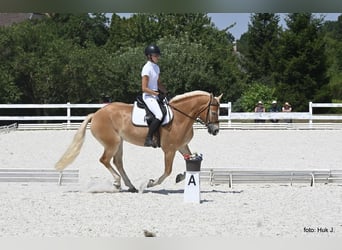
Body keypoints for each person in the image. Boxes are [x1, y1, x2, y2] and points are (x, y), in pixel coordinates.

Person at [141, 44, 167, 147]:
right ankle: (148, 138)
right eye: (156, 55)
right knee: (159, 115)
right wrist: (156, 93)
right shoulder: (146, 68)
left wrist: (166, 92)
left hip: (155, 95)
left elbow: (158, 83)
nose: (158, 57)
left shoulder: (156, 67)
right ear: (149, 56)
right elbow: (144, 88)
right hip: (148, 96)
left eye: (158, 55)